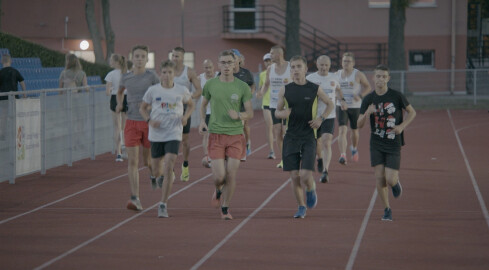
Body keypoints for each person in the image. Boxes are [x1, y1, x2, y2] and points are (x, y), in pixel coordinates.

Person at [275, 55, 334, 219]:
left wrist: (321, 119)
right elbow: (277, 111)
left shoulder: (314, 88)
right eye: (292, 67)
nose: (295, 70)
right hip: (291, 137)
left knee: (306, 175)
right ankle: (301, 207)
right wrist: (282, 113)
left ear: (306, 69)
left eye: (298, 67)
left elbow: (330, 104)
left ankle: (310, 188)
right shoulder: (285, 89)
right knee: (294, 176)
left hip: (308, 136)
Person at [199, 50, 253, 220]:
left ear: (236, 64)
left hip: (236, 135)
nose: (227, 66)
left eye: (230, 62)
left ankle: (225, 208)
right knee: (219, 177)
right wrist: (202, 121)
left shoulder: (242, 86)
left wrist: (240, 116)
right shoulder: (211, 85)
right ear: (218, 64)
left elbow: (250, 112)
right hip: (216, 135)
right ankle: (217, 190)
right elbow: (203, 105)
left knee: (231, 175)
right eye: (223, 62)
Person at [357, 64, 416, 221]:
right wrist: (366, 114)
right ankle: (387, 209)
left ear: (388, 78)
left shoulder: (396, 96)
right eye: (378, 76)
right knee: (379, 178)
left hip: (393, 143)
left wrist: (402, 126)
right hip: (376, 143)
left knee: (390, 179)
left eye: (383, 76)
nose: (380, 79)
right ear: (373, 78)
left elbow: (412, 112)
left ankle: (395, 184)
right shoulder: (369, 99)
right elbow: (359, 124)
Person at [139, 60, 194, 218]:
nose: (167, 75)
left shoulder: (181, 90)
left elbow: (191, 105)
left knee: (169, 163)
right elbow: (142, 108)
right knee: (156, 169)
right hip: (156, 133)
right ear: (160, 73)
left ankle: (163, 204)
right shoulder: (153, 90)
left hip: (173, 132)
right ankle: (157, 176)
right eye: (164, 72)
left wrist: (185, 117)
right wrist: (149, 120)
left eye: (170, 72)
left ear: (174, 74)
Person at [116, 45, 160, 211]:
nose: (140, 59)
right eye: (137, 56)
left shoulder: (152, 76)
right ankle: (135, 197)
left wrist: (152, 107)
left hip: (148, 122)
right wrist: (120, 104)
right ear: (132, 58)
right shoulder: (126, 77)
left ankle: (153, 174)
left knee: (148, 161)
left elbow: (160, 92)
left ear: (147, 59)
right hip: (131, 122)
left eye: (143, 56)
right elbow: (120, 92)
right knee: (133, 162)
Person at [306, 55, 346, 183]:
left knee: (326, 141)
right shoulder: (310, 78)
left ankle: (325, 171)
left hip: (329, 115)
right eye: (321, 65)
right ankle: (320, 158)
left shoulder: (334, 78)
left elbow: (339, 90)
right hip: (313, 115)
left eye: (326, 65)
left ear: (329, 66)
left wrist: (342, 100)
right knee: (317, 143)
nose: (323, 67)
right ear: (317, 65)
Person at [171, 47, 202, 182]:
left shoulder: (188, 72)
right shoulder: (168, 71)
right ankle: (170, 169)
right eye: (173, 56)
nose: (174, 58)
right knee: (171, 140)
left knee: (184, 141)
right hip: (170, 109)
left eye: (177, 56)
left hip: (184, 109)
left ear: (182, 58)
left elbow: (199, 90)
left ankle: (185, 164)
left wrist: (189, 98)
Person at [257, 45, 291, 168]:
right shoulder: (270, 69)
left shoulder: (290, 67)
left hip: (288, 105)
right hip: (274, 104)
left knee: (286, 132)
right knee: (277, 132)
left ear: (279, 54)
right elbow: (266, 84)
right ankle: (284, 159)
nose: (270, 56)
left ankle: (292, 154)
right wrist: (261, 92)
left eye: (272, 54)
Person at [336, 52, 371, 165]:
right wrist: (341, 100)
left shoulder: (358, 74)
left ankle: (354, 148)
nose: (346, 63)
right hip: (341, 105)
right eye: (344, 61)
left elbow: (368, 87)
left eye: (348, 61)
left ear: (353, 63)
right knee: (342, 130)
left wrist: (360, 96)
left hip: (355, 106)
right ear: (341, 62)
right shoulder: (337, 74)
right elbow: (335, 89)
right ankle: (343, 155)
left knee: (354, 131)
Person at [231, 49, 255, 157]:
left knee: (244, 126)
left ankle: (247, 143)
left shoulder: (246, 73)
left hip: (243, 104)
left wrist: (250, 94)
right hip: (230, 104)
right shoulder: (225, 72)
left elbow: (252, 85)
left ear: (239, 59)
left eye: (234, 57)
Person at [105, 54, 128, 162]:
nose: (110, 62)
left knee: (116, 127)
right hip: (126, 97)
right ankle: (125, 148)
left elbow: (107, 91)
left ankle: (118, 153)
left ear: (116, 62)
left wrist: (111, 89)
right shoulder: (127, 73)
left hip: (115, 98)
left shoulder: (111, 74)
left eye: (111, 60)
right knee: (124, 126)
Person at [0, 54, 26, 140]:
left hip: (3, 98)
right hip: (14, 97)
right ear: (11, 61)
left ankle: (2, 134)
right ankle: (16, 133)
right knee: (15, 115)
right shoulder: (15, 71)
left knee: (3, 116)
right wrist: (24, 94)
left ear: (1, 62)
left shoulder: (1, 72)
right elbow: (22, 82)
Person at [199, 59, 218, 165]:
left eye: (210, 67)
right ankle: (207, 156)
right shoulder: (200, 78)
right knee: (206, 134)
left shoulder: (218, 76)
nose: (208, 70)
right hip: (206, 111)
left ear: (213, 67)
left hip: (218, 111)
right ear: (203, 68)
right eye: (206, 67)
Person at [258, 53, 275, 159]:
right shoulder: (262, 74)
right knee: (269, 127)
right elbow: (261, 88)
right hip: (267, 103)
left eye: (270, 60)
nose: (268, 62)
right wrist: (259, 93)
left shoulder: (279, 73)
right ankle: (272, 151)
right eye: (266, 61)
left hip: (279, 104)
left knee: (281, 129)